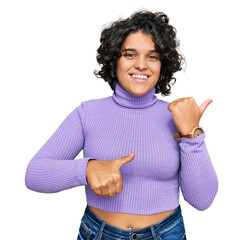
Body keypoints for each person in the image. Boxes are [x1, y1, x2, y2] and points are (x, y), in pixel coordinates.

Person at [25, 9, 218, 240]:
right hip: (98, 233)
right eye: (130, 54)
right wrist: (87, 169)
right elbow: (34, 173)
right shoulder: (88, 113)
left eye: (152, 56)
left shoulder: (177, 117)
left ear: (162, 64)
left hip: (167, 234)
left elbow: (202, 200)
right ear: (114, 60)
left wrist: (191, 134)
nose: (141, 65)